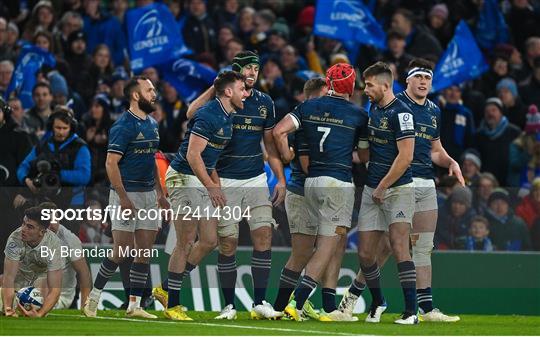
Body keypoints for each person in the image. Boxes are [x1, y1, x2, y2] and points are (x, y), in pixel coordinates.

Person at [157, 52, 286, 320]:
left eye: (256, 68)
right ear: (233, 82)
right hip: (205, 179)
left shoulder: (249, 107)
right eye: (246, 70)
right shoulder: (217, 111)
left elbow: (268, 147)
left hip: (241, 180)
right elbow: (193, 140)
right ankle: (183, 300)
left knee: (211, 240)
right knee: (215, 242)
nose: (252, 74)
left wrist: (280, 178)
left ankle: (257, 302)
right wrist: (214, 185)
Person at [338, 59, 463, 322]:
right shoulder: (388, 105)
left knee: (422, 246)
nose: (423, 82)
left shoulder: (433, 111)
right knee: (383, 247)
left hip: (424, 183)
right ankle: (354, 296)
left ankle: (425, 309)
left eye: (428, 78)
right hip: (399, 181)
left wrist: (451, 161)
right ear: (405, 80)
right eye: (418, 77)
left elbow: (435, 150)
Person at [272, 63, 369, 321]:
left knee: (309, 248)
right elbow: (364, 154)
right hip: (337, 183)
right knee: (330, 244)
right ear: (351, 87)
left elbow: (278, 131)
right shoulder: (359, 115)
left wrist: (285, 155)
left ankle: (290, 305)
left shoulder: (306, 108)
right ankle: (299, 301)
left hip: (310, 184)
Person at [158, 71, 248, 321]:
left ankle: (165, 288)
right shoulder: (210, 115)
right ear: (228, 92)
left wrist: (215, 184)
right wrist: (211, 187)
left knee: (209, 240)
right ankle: (172, 304)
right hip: (183, 177)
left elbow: (209, 159)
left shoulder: (228, 117)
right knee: (185, 241)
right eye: (242, 88)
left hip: (201, 179)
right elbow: (192, 156)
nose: (246, 93)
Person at [82, 75, 167, 319]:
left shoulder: (152, 124)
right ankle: (93, 300)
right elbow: (111, 164)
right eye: (149, 90)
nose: (154, 93)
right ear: (135, 95)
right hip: (125, 194)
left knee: (144, 252)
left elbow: (151, 159)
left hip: (149, 194)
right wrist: (123, 198)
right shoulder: (122, 126)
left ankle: (135, 305)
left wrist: (160, 194)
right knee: (121, 250)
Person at [353, 62, 418, 324]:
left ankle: (411, 312)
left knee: (400, 246)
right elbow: (367, 152)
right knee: (365, 254)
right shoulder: (373, 109)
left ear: (385, 85)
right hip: (373, 188)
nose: (365, 89)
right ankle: (379, 301)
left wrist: (382, 187)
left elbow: (406, 157)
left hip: (398, 189)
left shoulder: (402, 113)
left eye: (369, 85)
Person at [16, 106, 91, 212]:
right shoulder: (43, 144)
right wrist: (26, 180)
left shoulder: (80, 147)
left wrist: (58, 174)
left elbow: (84, 176)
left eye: (65, 128)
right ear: (51, 126)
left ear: (71, 127)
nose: (61, 132)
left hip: (72, 203)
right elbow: (23, 167)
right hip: (45, 202)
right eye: (58, 128)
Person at [1, 206, 64, 317]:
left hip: (42, 279)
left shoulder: (54, 245)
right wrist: (8, 309)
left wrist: (40, 314)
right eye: (23, 223)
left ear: (42, 232)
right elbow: (9, 278)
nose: (23, 229)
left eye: (29, 227)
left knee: (39, 306)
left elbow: (55, 290)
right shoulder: (15, 239)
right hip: (20, 275)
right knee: (2, 307)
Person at [40, 201, 92, 309]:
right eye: (46, 221)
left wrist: (84, 307)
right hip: (35, 291)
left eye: (54, 220)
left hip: (60, 298)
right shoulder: (30, 234)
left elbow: (84, 273)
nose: (51, 225)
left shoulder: (69, 240)